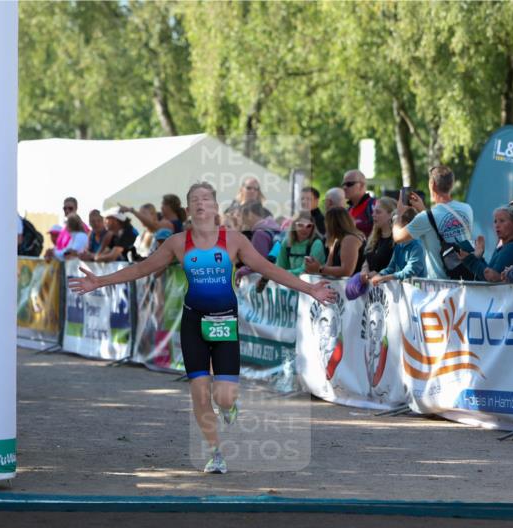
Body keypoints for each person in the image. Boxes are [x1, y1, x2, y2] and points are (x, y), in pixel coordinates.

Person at [68, 181, 336, 474]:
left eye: (206, 199)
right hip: (193, 321)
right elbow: (142, 268)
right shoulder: (177, 243)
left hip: (225, 322)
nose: (200, 203)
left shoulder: (233, 240)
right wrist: (100, 281)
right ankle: (215, 453)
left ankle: (228, 405)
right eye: (195, 199)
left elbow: (268, 268)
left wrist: (310, 290)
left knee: (224, 396)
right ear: (188, 208)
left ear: (215, 206)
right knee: (199, 390)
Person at [393, 165, 474, 279]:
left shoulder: (425, 218)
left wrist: (399, 214)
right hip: (465, 280)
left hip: (440, 286)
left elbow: (398, 237)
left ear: (433, 185)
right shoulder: (467, 209)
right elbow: (437, 225)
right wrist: (423, 210)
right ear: (452, 184)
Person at [463, 206, 513, 282]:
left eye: (502, 221)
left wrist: (470, 260)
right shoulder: (502, 248)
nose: (497, 225)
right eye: (495, 221)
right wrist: (479, 257)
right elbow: (488, 272)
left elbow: (491, 278)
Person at [303, 207, 365, 278]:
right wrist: (314, 267)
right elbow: (328, 267)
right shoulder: (336, 240)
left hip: (353, 286)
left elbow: (347, 271)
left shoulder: (350, 239)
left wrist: (319, 269)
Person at [370, 208, 426, 284]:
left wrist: (384, 278)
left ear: (406, 224)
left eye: (395, 223)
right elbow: (391, 268)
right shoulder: (399, 245)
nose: (392, 226)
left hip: (418, 292)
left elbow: (410, 272)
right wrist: (379, 275)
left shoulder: (417, 245)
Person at [362, 196, 397, 274]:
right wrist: (364, 270)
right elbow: (367, 259)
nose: (373, 215)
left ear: (391, 215)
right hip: (370, 284)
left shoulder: (398, 240)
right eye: (373, 211)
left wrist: (379, 274)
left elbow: (399, 268)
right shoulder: (374, 237)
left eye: (378, 212)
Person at [342, 169, 374, 236]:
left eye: (349, 184)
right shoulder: (347, 210)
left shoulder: (374, 206)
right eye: (343, 184)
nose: (344, 187)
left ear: (361, 185)